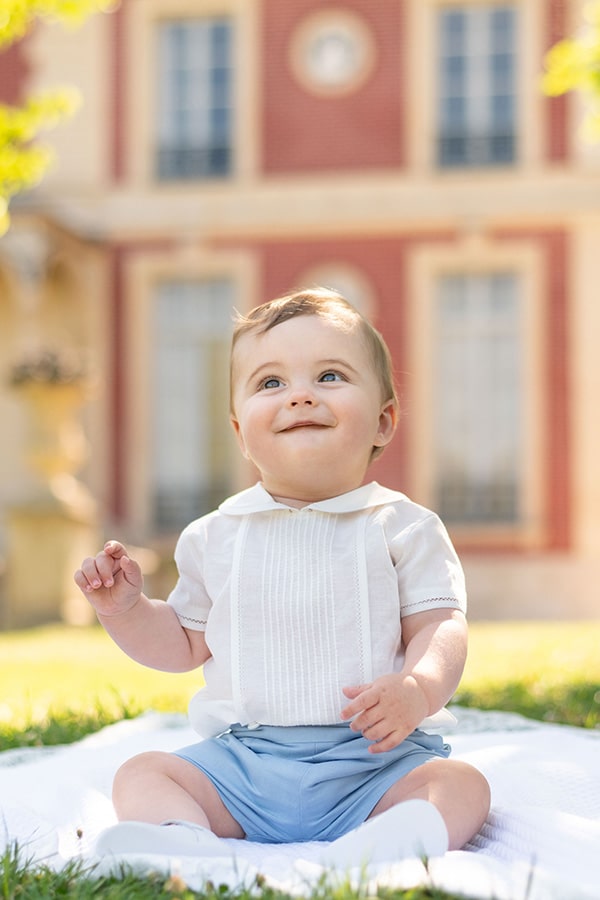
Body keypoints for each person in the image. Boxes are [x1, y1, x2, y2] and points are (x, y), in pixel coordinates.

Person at [74, 288, 490, 865]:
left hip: (374, 762)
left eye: (329, 376)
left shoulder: (404, 527)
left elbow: (441, 624)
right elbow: (184, 644)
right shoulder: (214, 535)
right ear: (242, 432)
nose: (299, 396)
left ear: (383, 420)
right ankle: (186, 842)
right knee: (143, 772)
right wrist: (125, 610)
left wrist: (417, 690)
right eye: (271, 383)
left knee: (462, 786)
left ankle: (387, 840)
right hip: (245, 765)